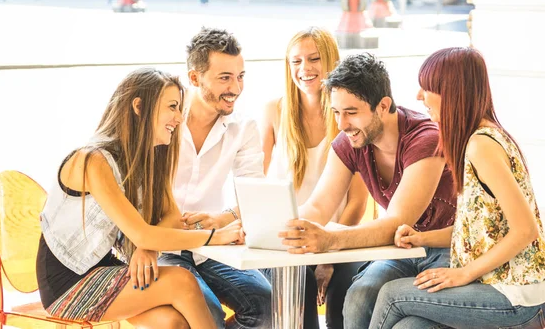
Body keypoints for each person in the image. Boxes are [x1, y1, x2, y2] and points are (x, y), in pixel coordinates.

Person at [36, 68, 245, 329]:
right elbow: (142, 234)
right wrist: (217, 236)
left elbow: (171, 216)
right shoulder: (92, 160)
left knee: (172, 322)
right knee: (182, 282)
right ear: (138, 106)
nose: (179, 118)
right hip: (67, 283)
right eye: (172, 107)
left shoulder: (149, 159)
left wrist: (147, 248)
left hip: (105, 270)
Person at [368, 47, 545, 329]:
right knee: (409, 327)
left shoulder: (482, 146)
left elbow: (524, 230)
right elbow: (477, 231)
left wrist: (464, 274)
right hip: (498, 289)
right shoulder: (477, 139)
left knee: (392, 295)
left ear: (452, 91)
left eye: (427, 88)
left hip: (520, 299)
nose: (419, 96)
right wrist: (422, 238)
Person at [277, 53, 458, 328]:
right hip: (403, 251)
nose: (341, 124)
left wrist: (329, 240)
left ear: (383, 106)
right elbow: (318, 207)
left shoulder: (426, 138)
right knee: (359, 296)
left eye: (351, 113)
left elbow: (397, 222)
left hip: (448, 248)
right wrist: (278, 227)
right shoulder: (350, 141)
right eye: (336, 112)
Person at [157, 27, 272, 328]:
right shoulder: (163, 119)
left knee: (267, 303)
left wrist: (222, 219)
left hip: (209, 249)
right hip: (159, 246)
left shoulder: (243, 128)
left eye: (240, 76)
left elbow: (254, 195)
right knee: (207, 312)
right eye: (225, 78)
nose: (235, 87)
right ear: (195, 78)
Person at [260, 26, 369, 329]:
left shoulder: (348, 115)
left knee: (347, 297)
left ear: (331, 61)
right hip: (288, 243)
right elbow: (255, 181)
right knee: (297, 287)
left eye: (313, 59)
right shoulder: (273, 111)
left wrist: (329, 253)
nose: (304, 69)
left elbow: (358, 203)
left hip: (338, 236)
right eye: (296, 61)